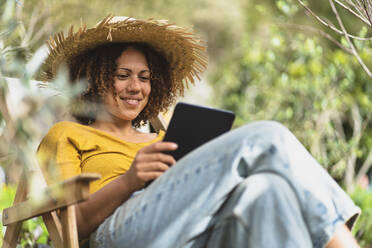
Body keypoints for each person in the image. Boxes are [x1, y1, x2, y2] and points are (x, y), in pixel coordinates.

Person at [37, 16, 361, 248]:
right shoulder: (66, 134)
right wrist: (130, 180)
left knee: (265, 190)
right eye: (122, 75)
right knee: (268, 138)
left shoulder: (163, 140)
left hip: (190, 228)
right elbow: (70, 227)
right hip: (117, 234)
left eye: (144, 77)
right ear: (94, 81)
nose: (135, 87)